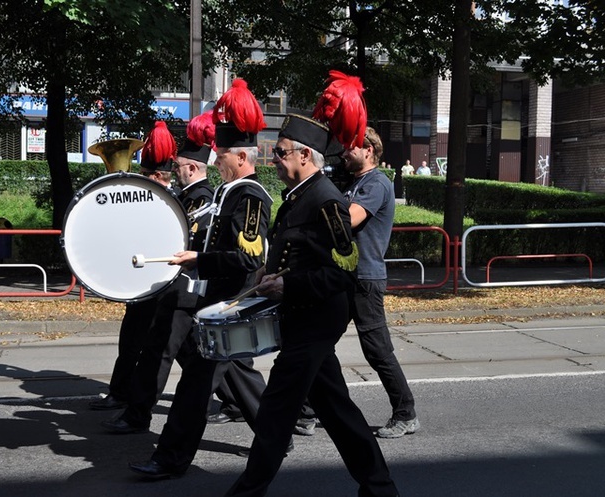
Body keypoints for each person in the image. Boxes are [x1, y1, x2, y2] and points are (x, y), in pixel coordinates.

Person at [226, 108, 399, 496]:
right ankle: (379, 487)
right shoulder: (296, 197)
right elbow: (294, 254)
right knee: (337, 411)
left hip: (316, 318)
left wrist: (289, 287)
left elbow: (343, 272)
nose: (274, 158)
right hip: (301, 316)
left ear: (305, 155)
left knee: (274, 413)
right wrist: (267, 275)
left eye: (281, 152)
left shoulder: (326, 201)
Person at [126, 78, 273, 478]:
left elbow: (249, 255)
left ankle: (170, 459)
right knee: (209, 380)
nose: (217, 160)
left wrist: (199, 260)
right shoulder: (231, 192)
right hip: (216, 302)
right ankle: (276, 435)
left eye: (222, 154)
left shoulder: (250, 196)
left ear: (241, 157)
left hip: (231, 303)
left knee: (194, 388)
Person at [89, 121, 177, 411]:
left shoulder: (171, 203)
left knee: (182, 349)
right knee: (131, 341)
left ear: (153, 175)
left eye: (142, 174)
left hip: (165, 284)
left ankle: (235, 396)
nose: (139, 179)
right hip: (143, 284)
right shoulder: (146, 201)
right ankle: (121, 392)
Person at [340, 124, 420, 438]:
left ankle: (406, 413)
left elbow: (348, 220)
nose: (344, 152)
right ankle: (306, 411)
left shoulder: (375, 183)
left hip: (365, 279)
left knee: (378, 351)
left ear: (368, 150)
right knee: (317, 343)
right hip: (346, 276)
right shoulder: (355, 182)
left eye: (350, 147)